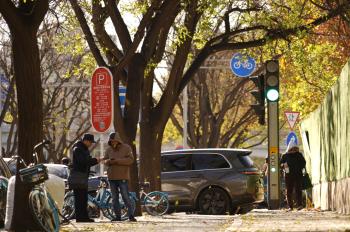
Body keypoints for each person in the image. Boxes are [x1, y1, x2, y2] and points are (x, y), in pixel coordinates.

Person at [104, 132, 136, 222]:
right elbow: (105, 160)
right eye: (111, 141)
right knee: (114, 198)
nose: (113, 143)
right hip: (111, 177)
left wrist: (117, 161)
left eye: (114, 141)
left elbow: (131, 160)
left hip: (123, 177)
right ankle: (118, 216)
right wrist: (108, 161)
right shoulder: (108, 149)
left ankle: (131, 216)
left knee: (125, 196)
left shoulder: (126, 148)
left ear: (118, 141)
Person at [71, 133, 101, 222]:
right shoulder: (78, 149)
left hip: (83, 177)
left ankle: (84, 217)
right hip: (78, 177)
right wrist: (95, 160)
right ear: (86, 141)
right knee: (79, 198)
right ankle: (80, 218)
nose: (91, 144)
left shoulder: (84, 149)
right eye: (90, 142)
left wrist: (96, 160)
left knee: (83, 198)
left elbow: (87, 162)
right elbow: (83, 161)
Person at [280, 146, 306, 211]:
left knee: (290, 191)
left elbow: (281, 164)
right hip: (297, 174)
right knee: (297, 190)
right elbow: (303, 163)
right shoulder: (298, 155)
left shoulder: (286, 155)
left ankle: (291, 207)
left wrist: (283, 166)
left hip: (289, 175)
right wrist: (299, 168)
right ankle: (298, 205)